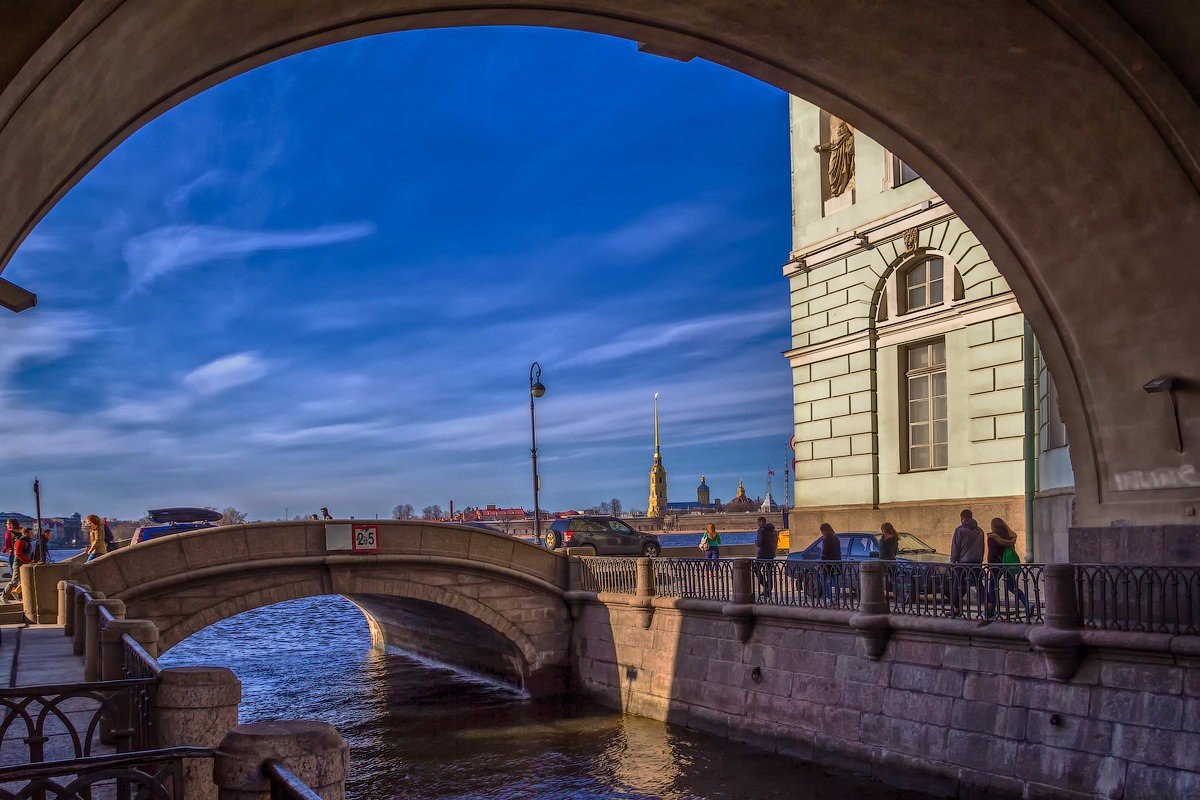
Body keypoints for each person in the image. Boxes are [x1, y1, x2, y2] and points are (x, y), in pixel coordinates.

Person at [985, 517, 1033, 620]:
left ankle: (992, 610)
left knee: (993, 587)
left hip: (996, 566)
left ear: (993, 526)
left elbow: (992, 553)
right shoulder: (1009, 536)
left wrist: (990, 566)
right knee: (1012, 586)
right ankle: (1027, 603)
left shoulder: (992, 537)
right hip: (1008, 564)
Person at [949, 509, 984, 616]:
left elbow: (955, 547)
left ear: (962, 517)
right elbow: (982, 547)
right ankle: (989, 604)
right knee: (979, 585)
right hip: (977, 562)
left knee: (957, 585)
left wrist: (953, 561)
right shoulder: (980, 531)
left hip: (963, 563)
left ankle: (957, 609)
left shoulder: (960, 530)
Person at [2, 528, 32, 600]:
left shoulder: (26, 541)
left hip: (24, 563)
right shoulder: (20, 541)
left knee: (25, 580)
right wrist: (28, 560)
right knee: (14, 581)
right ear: (26, 533)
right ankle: (4, 596)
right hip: (18, 564)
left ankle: (16, 592)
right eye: (30, 533)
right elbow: (18, 554)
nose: (32, 534)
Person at [754, 516, 778, 601]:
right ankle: (768, 590)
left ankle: (766, 586)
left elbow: (760, 543)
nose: (757, 524)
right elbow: (776, 541)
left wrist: (756, 542)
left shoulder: (761, 530)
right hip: (771, 554)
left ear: (761, 522)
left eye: (758, 523)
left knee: (756, 569)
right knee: (769, 572)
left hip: (762, 554)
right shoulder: (773, 531)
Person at [818, 523, 843, 601]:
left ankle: (828, 597)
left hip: (827, 565)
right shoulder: (836, 539)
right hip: (836, 563)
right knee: (836, 582)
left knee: (824, 581)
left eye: (822, 531)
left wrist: (821, 561)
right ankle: (837, 598)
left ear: (824, 531)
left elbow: (825, 552)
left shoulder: (826, 539)